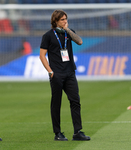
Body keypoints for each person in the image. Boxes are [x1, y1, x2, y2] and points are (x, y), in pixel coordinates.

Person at [40, 10, 90, 141]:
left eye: (66, 19)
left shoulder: (69, 32)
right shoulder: (48, 36)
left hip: (70, 72)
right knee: (56, 103)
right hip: (56, 74)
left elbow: (80, 42)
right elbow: (42, 56)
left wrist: (67, 29)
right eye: (62, 19)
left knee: (75, 101)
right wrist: (50, 72)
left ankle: (77, 132)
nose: (65, 21)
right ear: (55, 21)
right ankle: (57, 133)